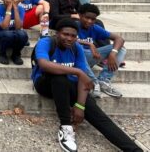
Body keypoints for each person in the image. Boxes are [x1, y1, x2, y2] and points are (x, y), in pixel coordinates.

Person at [32, 18, 143, 152]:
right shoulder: (46, 42)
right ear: (57, 33)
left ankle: (134, 150)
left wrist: (80, 106)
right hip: (45, 83)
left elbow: (84, 80)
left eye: (73, 36)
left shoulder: (76, 47)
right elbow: (44, 65)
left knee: (99, 116)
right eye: (65, 34)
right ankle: (66, 127)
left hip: (70, 85)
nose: (69, 38)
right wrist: (77, 71)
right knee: (59, 77)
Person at [77, 3, 126, 98]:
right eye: (87, 18)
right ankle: (95, 82)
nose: (90, 21)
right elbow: (69, 40)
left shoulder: (94, 28)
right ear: (80, 15)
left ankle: (103, 79)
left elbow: (120, 39)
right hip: (77, 60)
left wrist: (113, 53)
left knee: (121, 49)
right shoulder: (73, 25)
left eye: (93, 19)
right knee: (79, 50)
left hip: (91, 57)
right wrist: (89, 44)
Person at [0, 0, 28, 65]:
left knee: (23, 35)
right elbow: (4, 26)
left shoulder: (21, 9)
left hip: (15, 35)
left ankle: (16, 54)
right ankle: (2, 54)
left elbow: (18, 27)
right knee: (8, 34)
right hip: (0, 35)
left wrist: (15, 8)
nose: (12, 0)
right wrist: (8, 8)